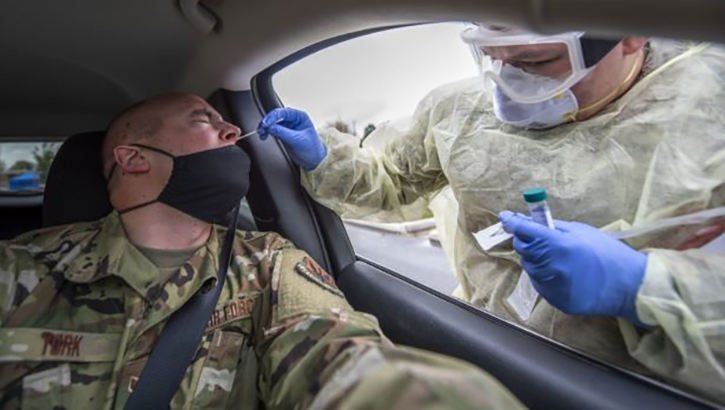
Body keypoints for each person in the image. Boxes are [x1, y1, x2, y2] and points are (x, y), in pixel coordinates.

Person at [257, 25, 725, 402]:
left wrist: (645, 286)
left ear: (631, 33)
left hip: (627, 381)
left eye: (537, 62)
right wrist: (324, 158)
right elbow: (392, 181)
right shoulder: (459, 108)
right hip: (486, 336)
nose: (509, 80)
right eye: (492, 57)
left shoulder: (709, 111)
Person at [0, 93, 525, 409]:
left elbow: (338, 353)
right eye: (205, 120)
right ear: (134, 158)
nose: (233, 129)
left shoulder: (272, 267)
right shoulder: (20, 267)